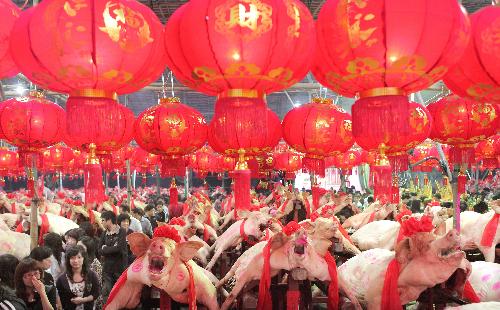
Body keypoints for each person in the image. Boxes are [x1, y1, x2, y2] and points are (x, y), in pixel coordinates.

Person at [56, 246, 100, 310]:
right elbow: (59, 297)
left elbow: (96, 293)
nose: (76, 261)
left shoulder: (91, 275)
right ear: (68, 260)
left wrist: (84, 300)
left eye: (79, 257)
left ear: (83, 258)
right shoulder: (61, 279)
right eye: (72, 258)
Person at [98, 211, 127, 304]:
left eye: (103, 220)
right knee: (108, 293)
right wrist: (111, 248)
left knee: (119, 293)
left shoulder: (121, 231)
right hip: (107, 268)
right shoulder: (103, 233)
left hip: (119, 267)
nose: (101, 222)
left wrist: (105, 248)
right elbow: (99, 250)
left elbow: (118, 249)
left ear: (109, 220)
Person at [77, 237, 102, 310]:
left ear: (88, 248)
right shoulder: (80, 259)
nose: (77, 248)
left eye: (81, 247)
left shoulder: (95, 264)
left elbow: (95, 287)